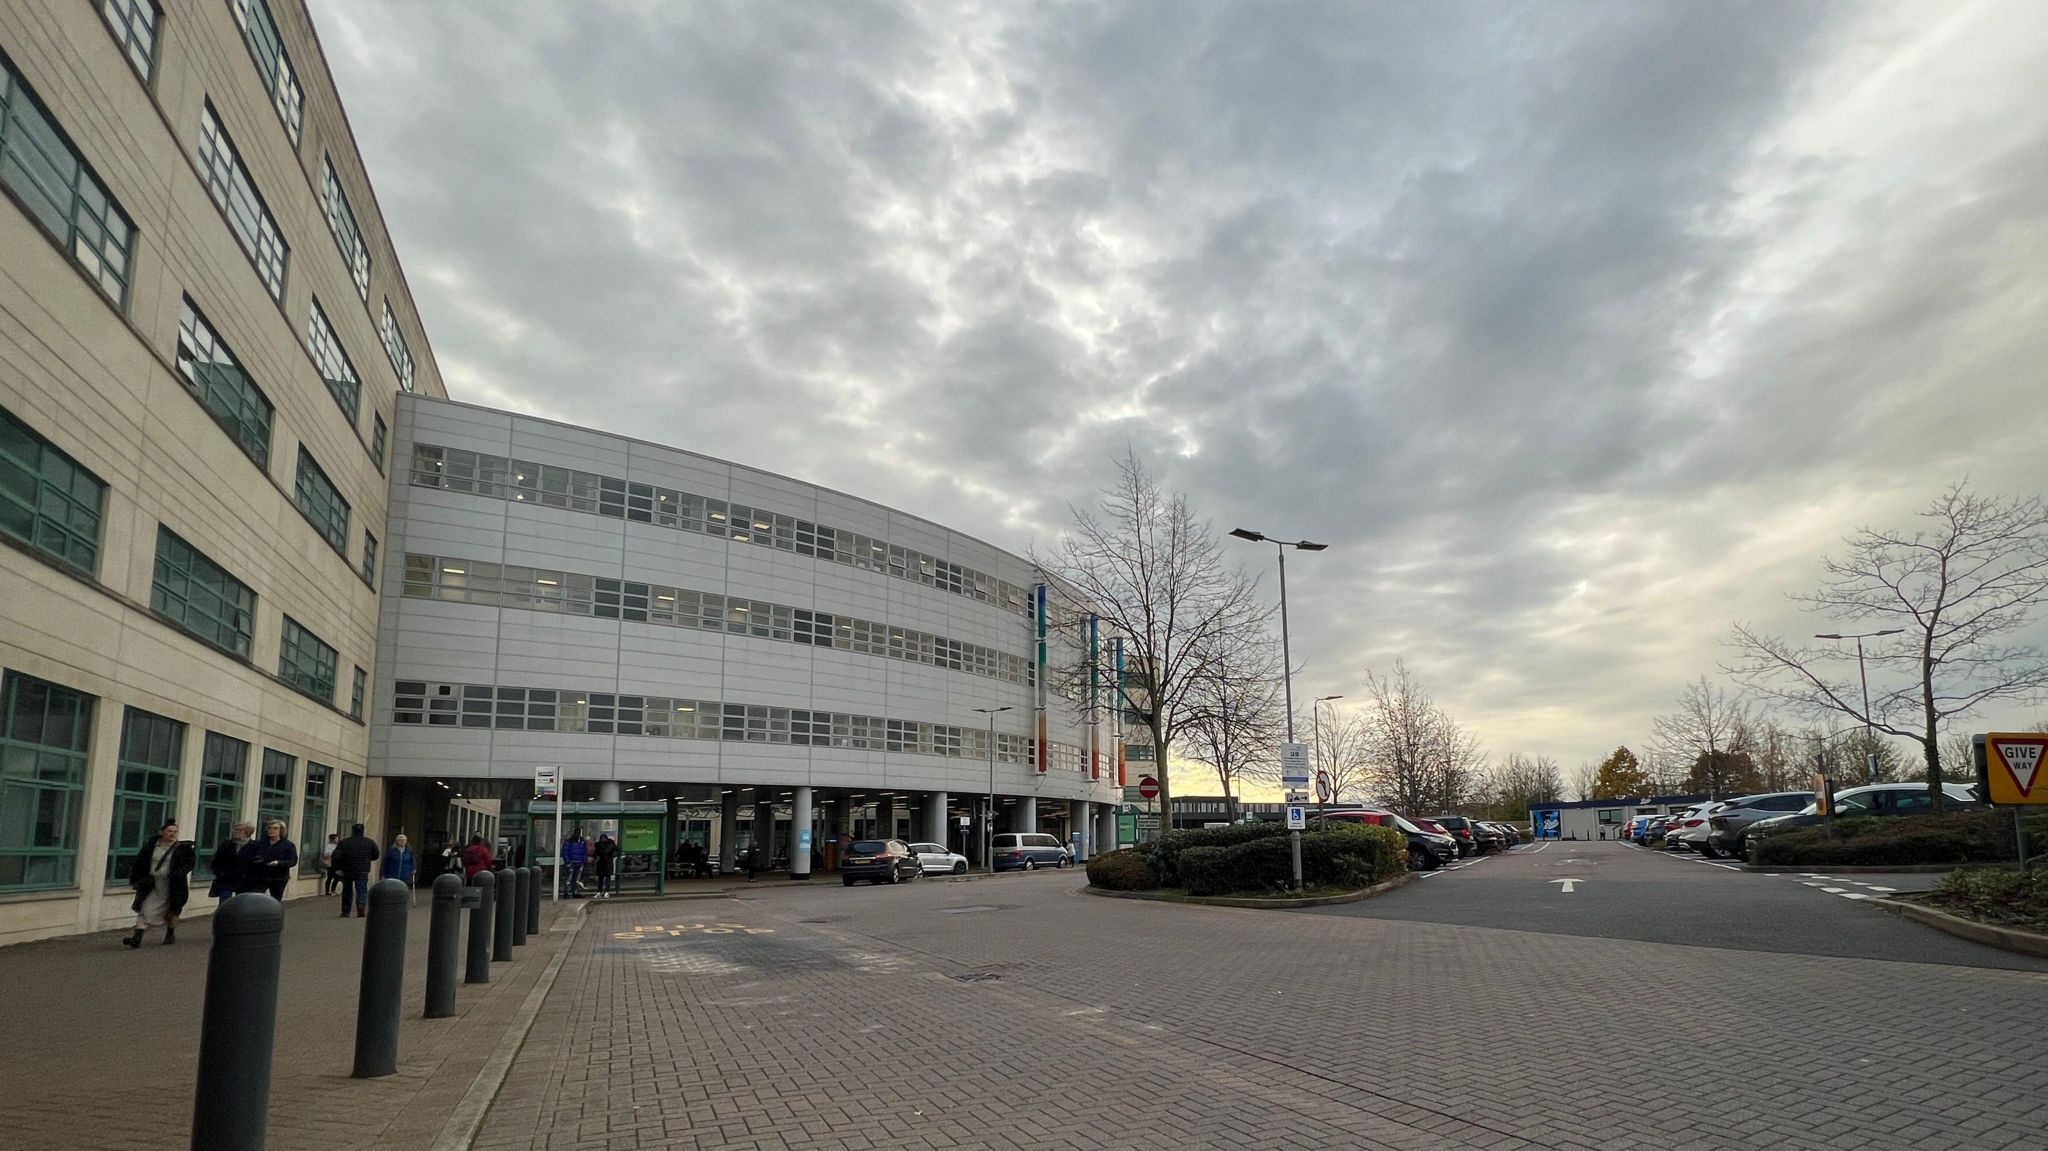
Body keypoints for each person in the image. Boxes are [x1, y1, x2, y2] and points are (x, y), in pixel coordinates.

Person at [123, 820, 195, 948]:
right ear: (162, 832)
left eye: (174, 831)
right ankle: (137, 938)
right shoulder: (152, 846)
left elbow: (188, 864)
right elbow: (141, 861)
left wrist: (178, 873)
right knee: (145, 907)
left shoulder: (182, 848)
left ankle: (170, 934)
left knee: (172, 910)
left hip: (173, 885)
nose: (172, 834)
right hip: (154, 884)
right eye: (169, 831)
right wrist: (137, 878)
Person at [237, 820, 297, 899]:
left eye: (275, 828)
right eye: (269, 828)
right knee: (256, 897)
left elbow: (293, 861)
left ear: (281, 831)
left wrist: (278, 863)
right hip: (261, 876)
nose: (271, 830)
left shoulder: (288, 845)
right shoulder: (260, 843)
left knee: (275, 900)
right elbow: (250, 856)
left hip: (278, 878)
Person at [332, 823, 379, 918]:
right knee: (362, 889)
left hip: (348, 869)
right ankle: (361, 906)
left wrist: (338, 868)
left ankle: (346, 910)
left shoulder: (345, 842)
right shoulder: (369, 842)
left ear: (352, 831)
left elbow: (336, 856)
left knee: (347, 890)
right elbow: (376, 855)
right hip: (363, 869)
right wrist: (367, 859)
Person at [206, 822, 254, 905]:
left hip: (244, 882)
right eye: (234, 829)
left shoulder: (255, 846)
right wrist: (220, 873)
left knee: (241, 905)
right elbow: (216, 860)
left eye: (238, 830)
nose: (234, 831)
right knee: (224, 905)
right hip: (226, 880)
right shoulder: (226, 844)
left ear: (247, 832)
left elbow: (257, 864)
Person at [381, 833, 417, 905]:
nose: (402, 842)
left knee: (403, 888)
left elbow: (413, 860)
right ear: (396, 841)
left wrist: (413, 868)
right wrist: (383, 873)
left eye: (403, 840)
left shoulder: (409, 851)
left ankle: (402, 901)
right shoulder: (391, 851)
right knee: (393, 888)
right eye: (400, 840)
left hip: (405, 873)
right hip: (393, 873)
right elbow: (385, 862)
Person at [560, 831, 589, 897]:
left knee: (577, 879)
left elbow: (585, 852)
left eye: (579, 833)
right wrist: (567, 861)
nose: (578, 835)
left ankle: (575, 892)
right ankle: (566, 892)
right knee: (569, 879)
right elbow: (565, 852)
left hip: (579, 863)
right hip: (571, 862)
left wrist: (583, 861)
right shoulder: (569, 842)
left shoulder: (582, 842)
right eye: (576, 833)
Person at [591, 833, 619, 898]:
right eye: (601, 838)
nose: (602, 840)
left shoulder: (611, 844)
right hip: (601, 863)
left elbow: (617, 851)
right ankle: (599, 892)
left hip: (608, 863)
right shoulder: (598, 845)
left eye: (603, 838)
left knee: (607, 878)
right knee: (600, 878)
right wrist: (596, 858)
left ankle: (607, 892)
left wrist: (611, 856)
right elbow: (595, 853)